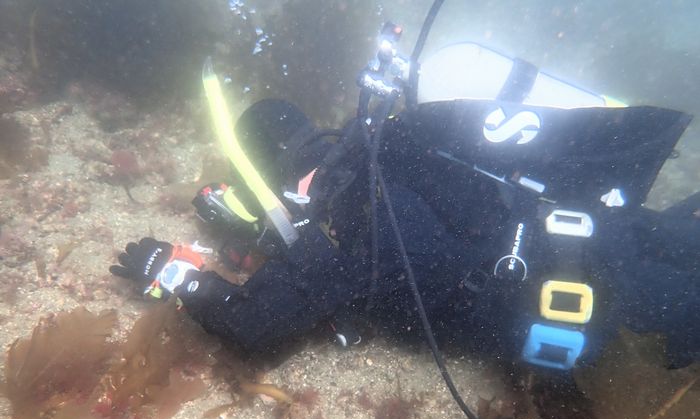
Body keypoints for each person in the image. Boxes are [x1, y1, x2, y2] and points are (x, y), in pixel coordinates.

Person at [110, 38, 700, 373]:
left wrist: (175, 273)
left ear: (265, 170)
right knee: (671, 237)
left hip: (590, 299)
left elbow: (252, 326)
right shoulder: (381, 144)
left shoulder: (339, 215)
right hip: (597, 225)